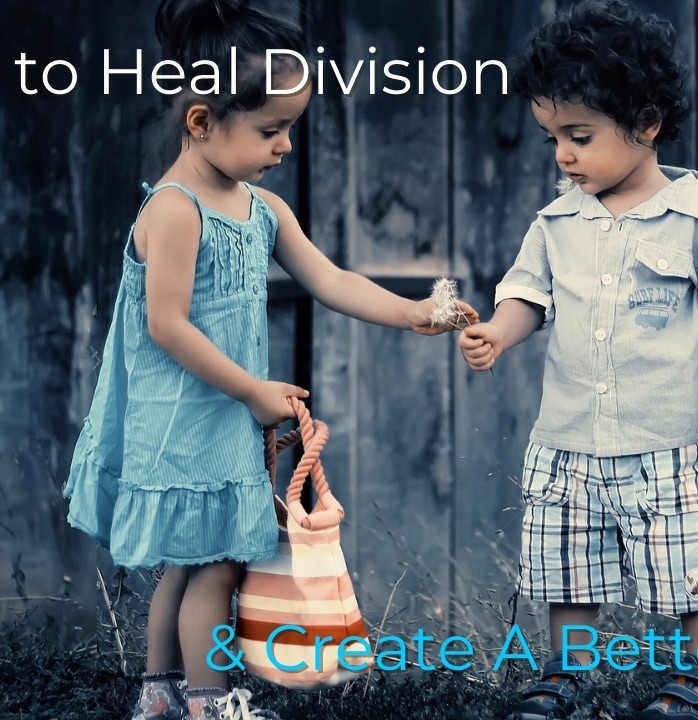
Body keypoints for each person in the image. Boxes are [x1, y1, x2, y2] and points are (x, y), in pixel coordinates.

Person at [64, 2, 477, 719]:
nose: (285, 146)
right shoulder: (174, 209)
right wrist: (253, 390)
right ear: (201, 121)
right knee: (218, 564)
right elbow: (165, 325)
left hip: (221, 414)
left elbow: (332, 278)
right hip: (184, 418)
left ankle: (159, 698)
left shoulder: (262, 210)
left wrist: (413, 312)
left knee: (190, 563)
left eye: (290, 126)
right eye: (271, 129)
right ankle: (210, 702)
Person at [459, 2, 698, 719]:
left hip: (667, 442)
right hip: (570, 439)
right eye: (552, 139)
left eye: (579, 136)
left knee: (691, 563)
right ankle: (570, 676)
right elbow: (527, 297)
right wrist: (499, 334)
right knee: (569, 567)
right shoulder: (556, 223)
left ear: (645, 124)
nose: (563, 157)